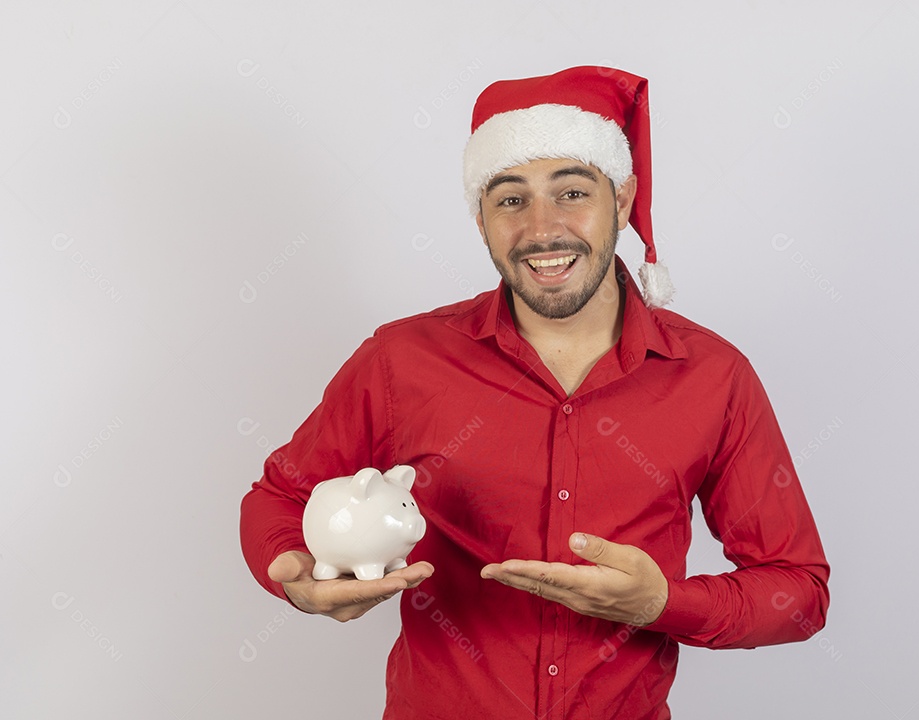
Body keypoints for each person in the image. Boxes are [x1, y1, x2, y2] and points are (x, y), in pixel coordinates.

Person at [240, 65, 829, 719]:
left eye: (572, 192)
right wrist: (294, 575)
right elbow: (281, 496)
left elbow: (798, 592)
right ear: (482, 220)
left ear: (624, 200)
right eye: (511, 199)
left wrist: (661, 605)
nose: (542, 228)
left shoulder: (713, 375)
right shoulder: (401, 360)